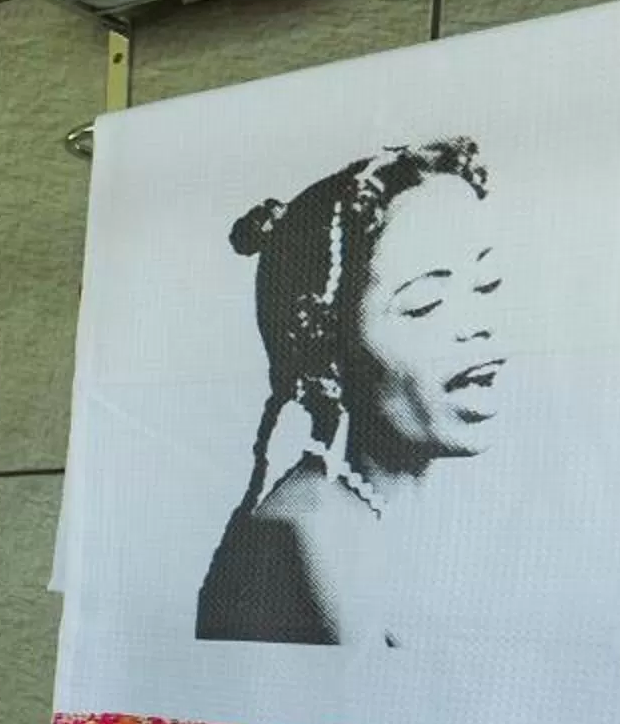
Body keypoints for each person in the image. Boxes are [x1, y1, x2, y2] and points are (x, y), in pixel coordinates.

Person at [195, 136, 508, 647]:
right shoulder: (298, 540)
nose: (478, 325)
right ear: (326, 344)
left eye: (487, 285)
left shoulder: (408, 524)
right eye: (426, 303)